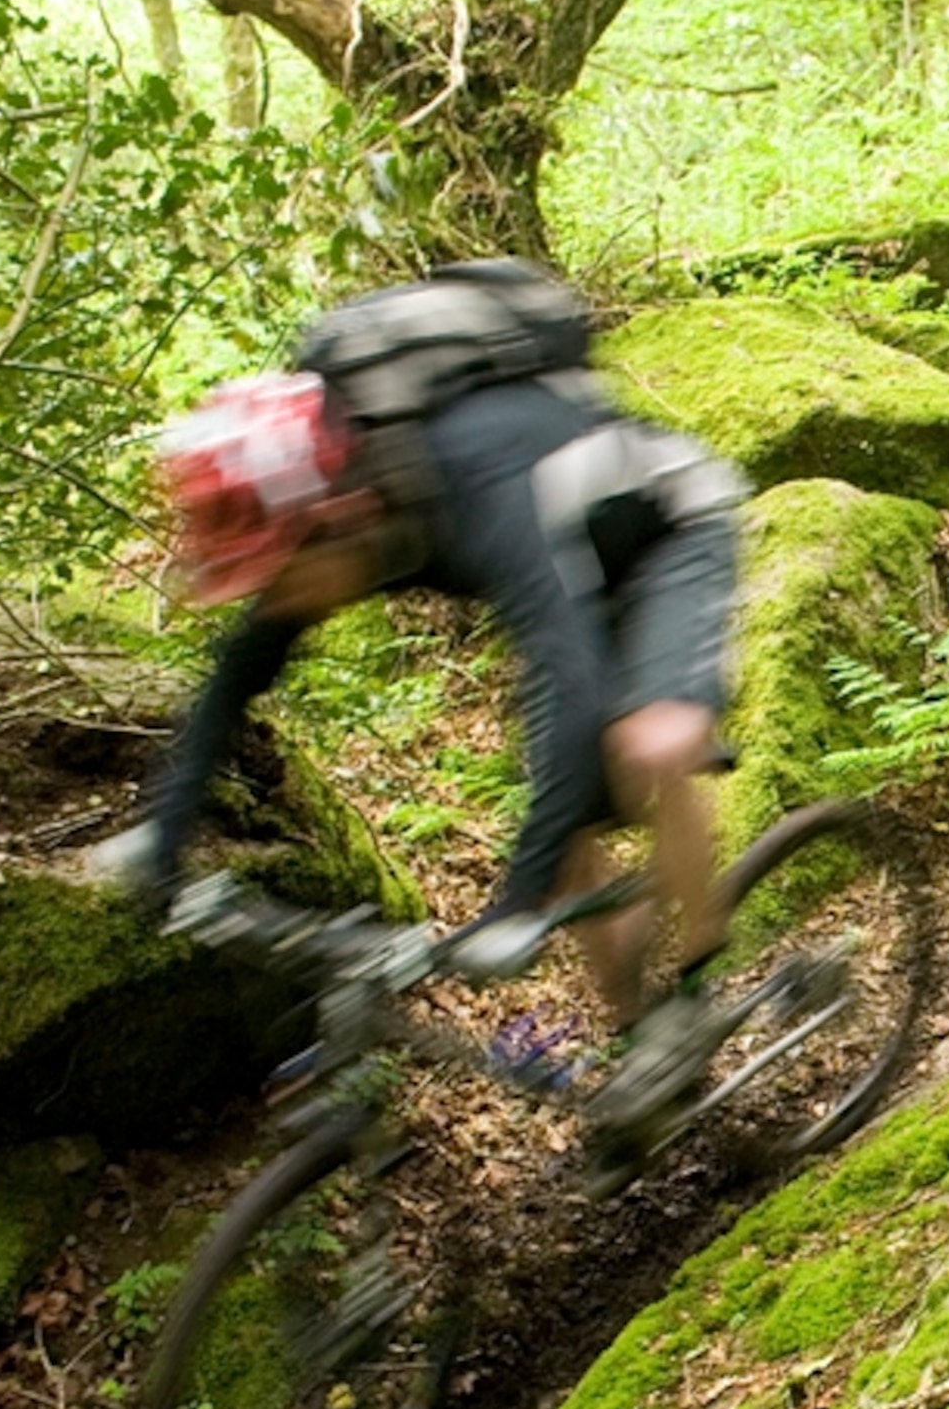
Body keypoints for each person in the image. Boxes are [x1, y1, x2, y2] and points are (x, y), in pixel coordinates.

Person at [94, 260, 749, 1143]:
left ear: (330, 516)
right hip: (575, 571)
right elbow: (231, 680)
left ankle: (700, 983)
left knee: (643, 742)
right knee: (567, 829)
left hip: (671, 531)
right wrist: (159, 842)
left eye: (280, 572)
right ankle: (641, 1035)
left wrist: (512, 911)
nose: (279, 599)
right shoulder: (338, 518)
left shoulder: (480, 481)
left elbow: (571, 674)